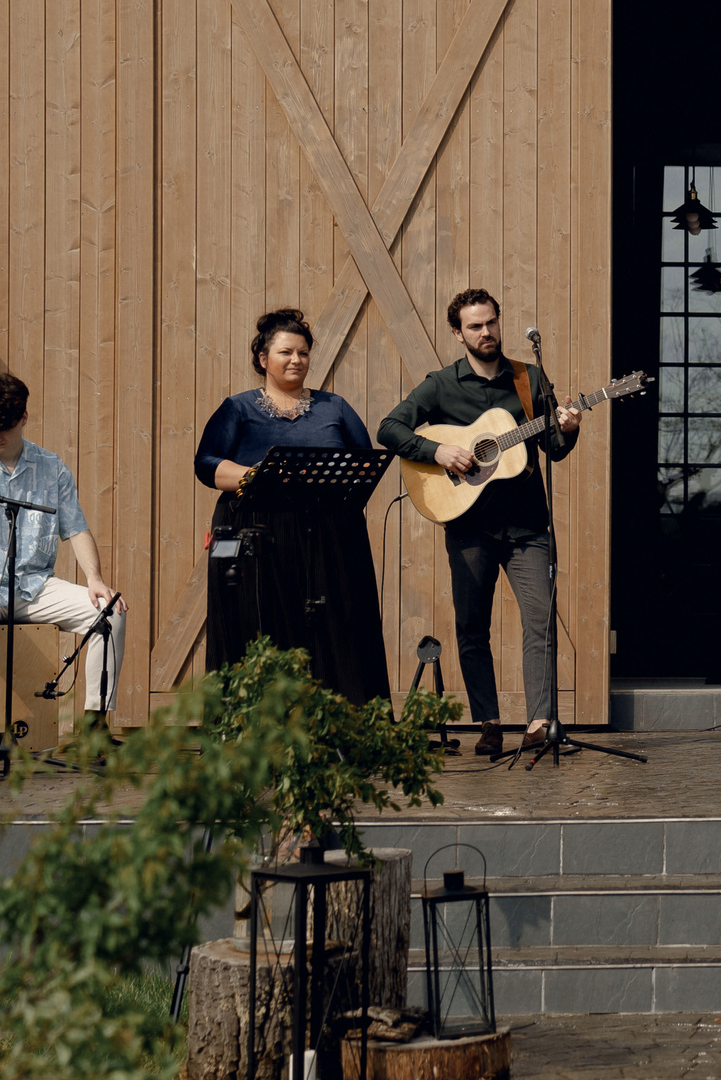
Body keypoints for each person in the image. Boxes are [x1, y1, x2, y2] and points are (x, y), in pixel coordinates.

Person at [378, 290, 582, 759]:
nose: (486, 332)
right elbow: (389, 428)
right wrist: (439, 451)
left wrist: (568, 428)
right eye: (475, 326)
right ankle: (488, 721)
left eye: (491, 323)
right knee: (472, 627)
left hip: (529, 525)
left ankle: (539, 722)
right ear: (458, 332)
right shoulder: (442, 385)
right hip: (469, 526)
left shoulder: (528, 378)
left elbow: (551, 445)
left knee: (541, 622)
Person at [193, 308, 391, 705]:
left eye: (303, 353)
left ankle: (343, 723)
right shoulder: (238, 408)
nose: (296, 360)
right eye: (286, 352)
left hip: (330, 535)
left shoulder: (335, 407)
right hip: (259, 533)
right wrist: (255, 475)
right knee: (260, 622)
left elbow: (364, 462)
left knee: (338, 624)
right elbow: (206, 464)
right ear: (264, 359)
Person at [0, 373, 122, 753]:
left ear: (24, 418)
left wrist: (95, 579)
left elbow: (76, 528)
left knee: (110, 612)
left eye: (5, 428)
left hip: (34, 584)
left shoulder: (52, 467)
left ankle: (96, 729)